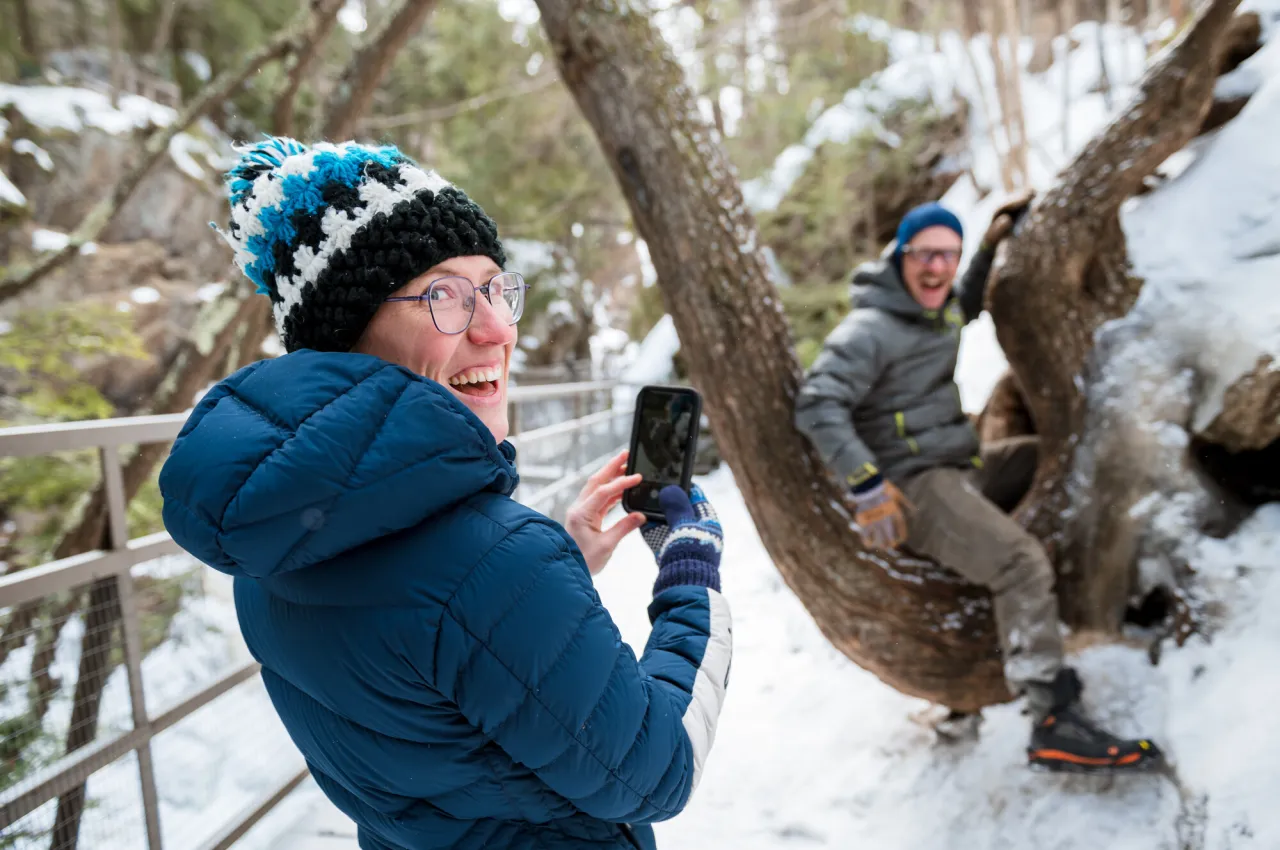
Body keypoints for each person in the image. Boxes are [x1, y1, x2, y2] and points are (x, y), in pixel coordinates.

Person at [159, 137, 731, 849]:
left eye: (494, 287)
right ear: (348, 335)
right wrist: (691, 573)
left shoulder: (271, 537)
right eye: (443, 297)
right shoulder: (489, 569)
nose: (497, 329)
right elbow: (656, 772)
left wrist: (560, 561)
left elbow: (424, 664)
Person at [794, 197, 1163, 774]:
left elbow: (963, 304)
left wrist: (991, 247)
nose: (939, 268)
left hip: (958, 464)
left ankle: (1082, 603)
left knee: (1046, 460)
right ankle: (1051, 719)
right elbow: (817, 403)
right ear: (901, 256)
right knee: (1020, 561)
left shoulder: (932, 309)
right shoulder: (870, 328)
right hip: (913, 484)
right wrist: (865, 483)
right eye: (926, 255)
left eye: (950, 255)